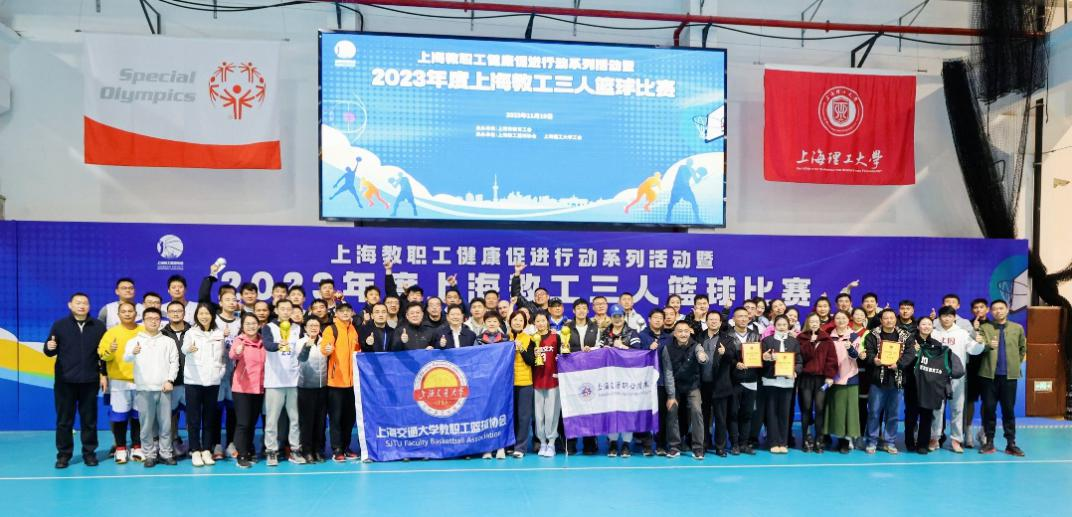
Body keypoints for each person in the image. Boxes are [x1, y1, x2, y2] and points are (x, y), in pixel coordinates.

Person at [46, 293, 107, 469]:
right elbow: (49, 350)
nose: (82, 306)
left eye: (85, 303)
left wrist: (103, 374)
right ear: (70, 305)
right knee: (64, 421)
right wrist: (49, 347)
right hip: (65, 382)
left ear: (89, 306)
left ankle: (89, 453)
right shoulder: (60, 325)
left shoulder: (98, 326)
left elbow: (103, 354)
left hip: (90, 381)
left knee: (89, 421)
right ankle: (63, 455)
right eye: (78, 303)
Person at [123, 308, 180, 467]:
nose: (153, 321)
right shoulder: (134, 341)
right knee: (146, 425)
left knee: (166, 425)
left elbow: (174, 362)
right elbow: (126, 358)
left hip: (164, 388)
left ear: (160, 321)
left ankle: (166, 453)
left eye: (156, 318)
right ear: (143, 321)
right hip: (144, 389)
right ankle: (149, 454)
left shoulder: (168, 341)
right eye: (149, 318)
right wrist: (133, 353)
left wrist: (170, 380)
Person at [930, 306, 984, 453]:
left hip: (957, 378)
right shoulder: (933, 333)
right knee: (936, 409)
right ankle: (934, 438)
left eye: (950, 316)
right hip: (937, 377)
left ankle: (956, 440)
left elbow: (973, 350)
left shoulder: (962, 333)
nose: (946, 319)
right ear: (939, 318)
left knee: (957, 409)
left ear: (954, 317)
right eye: (944, 316)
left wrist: (979, 342)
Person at [976, 299, 1026, 456]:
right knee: (989, 410)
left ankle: (1011, 443)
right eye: (995, 309)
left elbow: (1022, 349)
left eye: (1001, 308)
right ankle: (989, 441)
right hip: (988, 376)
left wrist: (1014, 364)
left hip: (1009, 377)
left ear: (1007, 309)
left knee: (1008, 411)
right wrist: (987, 345)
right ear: (991, 312)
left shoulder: (1017, 328)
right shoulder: (985, 328)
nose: (998, 311)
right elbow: (978, 348)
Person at [863, 309, 916, 454]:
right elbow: (868, 352)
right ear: (881, 320)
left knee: (893, 414)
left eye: (892, 318)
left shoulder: (905, 336)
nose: (889, 320)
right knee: (874, 412)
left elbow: (910, 353)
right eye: (885, 318)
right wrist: (873, 360)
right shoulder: (872, 335)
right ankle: (872, 441)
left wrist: (898, 364)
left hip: (897, 380)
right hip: (877, 380)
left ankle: (890, 442)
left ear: (895, 319)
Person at [97, 301, 144, 464]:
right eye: (124, 311)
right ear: (118, 315)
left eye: (130, 311)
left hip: (141, 381)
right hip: (119, 382)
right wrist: (110, 350)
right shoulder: (111, 333)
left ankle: (137, 446)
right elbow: (103, 356)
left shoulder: (143, 331)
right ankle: (121, 448)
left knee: (138, 417)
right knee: (119, 417)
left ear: (136, 314)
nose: (127, 314)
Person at [911, 316, 965, 455]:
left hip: (930, 386)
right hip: (912, 384)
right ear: (918, 326)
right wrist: (914, 352)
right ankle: (910, 442)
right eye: (923, 324)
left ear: (932, 327)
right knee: (911, 414)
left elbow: (954, 369)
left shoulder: (938, 346)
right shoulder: (910, 341)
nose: (926, 326)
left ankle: (923, 444)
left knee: (927, 415)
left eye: (929, 324)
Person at [261, 300, 306, 466]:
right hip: (275, 381)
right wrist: (278, 345)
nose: (286, 311)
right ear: (276, 310)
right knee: (272, 420)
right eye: (283, 309)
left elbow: (302, 353)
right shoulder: (269, 328)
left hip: (293, 380)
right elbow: (267, 345)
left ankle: (295, 450)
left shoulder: (298, 329)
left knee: (295, 419)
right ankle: (271, 451)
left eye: (289, 309)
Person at [181, 303, 225, 467]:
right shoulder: (191, 332)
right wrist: (189, 348)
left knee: (209, 418)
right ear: (196, 316)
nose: (204, 316)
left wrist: (220, 372)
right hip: (194, 381)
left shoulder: (219, 333)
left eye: (207, 313)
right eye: (201, 313)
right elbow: (184, 348)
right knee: (193, 419)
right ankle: (195, 450)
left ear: (212, 315)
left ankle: (206, 449)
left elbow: (222, 357)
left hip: (213, 381)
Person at [598, 304, 643, 456]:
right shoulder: (605, 333)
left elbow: (639, 353)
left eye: (620, 316)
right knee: (611, 410)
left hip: (627, 378)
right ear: (610, 318)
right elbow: (598, 353)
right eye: (614, 316)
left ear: (624, 317)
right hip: (609, 378)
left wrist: (623, 347)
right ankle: (612, 442)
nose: (617, 319)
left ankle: (626, 443)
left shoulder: (632, 332)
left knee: (627, 411)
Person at [662, 320, 710, 459]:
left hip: (692, 385)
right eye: (680, 331)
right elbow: (668, 373)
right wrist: (671, 396)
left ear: (690, 332)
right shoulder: (667, 349)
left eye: (686, 331)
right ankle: (674, 446)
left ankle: (698, 448)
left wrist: (703, 357)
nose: (683, 334)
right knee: (672, 411)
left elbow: (702, 356)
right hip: (675, 386)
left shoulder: (696, 346)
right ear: (675, 334)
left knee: (696, 411)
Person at [320, 303, 360, 461]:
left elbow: (357, 350)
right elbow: (325, 347)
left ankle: (346, 447)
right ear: (336, 313)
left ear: (352, 313)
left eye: (348, 311)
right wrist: (326, 349)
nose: (345, 313)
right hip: (335, 382)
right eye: (342, 311)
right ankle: (337, 449)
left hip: (352, 383)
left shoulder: (354, 329)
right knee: (336, 418)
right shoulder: (331, 329)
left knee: (349, 418)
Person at [824, 311, 866, 454]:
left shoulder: (854, 336)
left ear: (849, 320)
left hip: (849, 378)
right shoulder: (829, 337)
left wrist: (850, 348)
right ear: (834, 320)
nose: (841, 320)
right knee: (836, 411)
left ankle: (846, 441)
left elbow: (855, 356)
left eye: (844, 318)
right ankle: (835, 437)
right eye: (838, 318)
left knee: (850, 412)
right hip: (832, 378)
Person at [760, 315, 802, 454]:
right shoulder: (767, 340)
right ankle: (773, 442)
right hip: (770, 381)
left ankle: (783, 442)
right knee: (771, 413)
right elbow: (760, 361)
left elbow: (799, 361)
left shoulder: (793, 342)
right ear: (774, 326)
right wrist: (766, 358)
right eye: (779, 324)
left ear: (788, 326)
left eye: (784, 324)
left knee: (784, 413)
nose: (782, 327)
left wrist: (795, 372)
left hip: (787, 382)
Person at [797, 313, 837, 453]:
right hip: (805, 378)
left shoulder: (827, 339)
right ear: (807, 323)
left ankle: (819, 440)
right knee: (806, 408)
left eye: (816, 321)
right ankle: (805, 439)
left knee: (820, 408)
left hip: (821, 379)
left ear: (820, 323)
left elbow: (831, 359)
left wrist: (830, 376)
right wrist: (810, 343)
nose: (814, 323)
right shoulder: (801, 338)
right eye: (811, 321)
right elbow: (801, 357)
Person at [230, 313, 267, 468]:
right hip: (242, 388)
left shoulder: (264, 341)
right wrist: (238, 351)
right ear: (243, 327)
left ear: (259, 325)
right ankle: (241, 454)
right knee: (243, 423)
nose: (251, 326)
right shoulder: (239, 340)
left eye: (253, 323)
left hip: (259, 388)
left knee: (252, 423)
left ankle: (249, 450)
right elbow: (232, 354)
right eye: (247, 324)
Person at [727, 307, 762, 455]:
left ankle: (744, 443)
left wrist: (764, 358)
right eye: (739, 316)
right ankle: (734, 444)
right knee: (733, 413)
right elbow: (724, 358)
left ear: (749, 318)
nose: (742, 319)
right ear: (734, 319)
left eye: (745, 316)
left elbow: (759, 357)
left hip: (751, 379)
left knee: (747, 414)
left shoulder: (756, 336)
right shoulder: (727, 336)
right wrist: (735, 364)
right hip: (733, 380)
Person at [638, 307, 672, 454]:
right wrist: (648, 348)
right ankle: (646, 445)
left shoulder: (669, 338)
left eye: (660, 318)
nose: (658, 320)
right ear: (649, 320)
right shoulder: (641, 335)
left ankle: (661, 445)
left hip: (662, 381)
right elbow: (635, 355)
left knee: (662, 414)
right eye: (655, 317)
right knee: (645, 413)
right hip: (645, 381)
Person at [701, 311, 734, 456]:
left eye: (716, 320)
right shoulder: (699, 337)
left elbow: (732, 357)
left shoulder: (727, 339)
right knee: (703, 417)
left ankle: (720, 446)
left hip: (720, 384)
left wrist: (724, 353)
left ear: (720, 323)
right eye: (711, 319)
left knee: (720, 418)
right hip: (703, 385)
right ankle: (703, 444)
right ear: (706, 321)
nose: (713, 322)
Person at [161, 301, 191, 458]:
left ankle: (193, 444)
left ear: (184, 313)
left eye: (179, 311)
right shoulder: (161, 334)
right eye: (172, 311)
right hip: (171, 383)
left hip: (191, 382)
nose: (176, 313)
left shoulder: (194, 331)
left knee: (192, 414)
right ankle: (173, 441)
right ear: (167, 314)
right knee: (170, 415)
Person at [297, 318, 329, 463]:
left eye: (316, 325)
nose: (314, 328)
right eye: (310, 325)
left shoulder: (324, 342)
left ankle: (318, 450)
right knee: (307, 422)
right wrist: (307, 347)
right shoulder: (300, 342)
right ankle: (307, 451)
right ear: (305, 328)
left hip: (323, 387)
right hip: (305, 388)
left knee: (320, 421)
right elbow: (301, 358)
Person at [531, 312, 563, 457]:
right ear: (534, 323)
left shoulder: (556, 337)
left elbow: (563, 356)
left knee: (552, 414)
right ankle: (542, 442)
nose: (541, 323)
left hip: (553, 380)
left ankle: (551, 443)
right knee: (538, 416)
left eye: (543, 320)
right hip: (536, 381)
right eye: (538, 321)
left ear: (547, 321)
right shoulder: (532, 339)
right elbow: (529, 360)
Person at [508, 311, 536, 458]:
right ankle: (510, 445)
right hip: (507, 383)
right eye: (515, 319)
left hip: (525, 383)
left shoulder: (529, 339)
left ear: (525, 323)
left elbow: (532, 361)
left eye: (521, 320)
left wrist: (522, 349)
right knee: (510, 415)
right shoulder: (504, 338)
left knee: (524, 417)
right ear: (510, 322)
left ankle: (520, 447)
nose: (518, 322)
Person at [963, 298, 990, 448]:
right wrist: (974, 330)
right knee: (970, 402)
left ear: (987, 309)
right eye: (975, 307)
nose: (978, 310)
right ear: (972, 310)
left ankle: (983, 432)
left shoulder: (993, 326)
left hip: (988, 369)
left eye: (981, 307)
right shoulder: (967, 325)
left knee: (987, 401)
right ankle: (968, 432)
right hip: (971, 369)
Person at [665, 159, 704, 223]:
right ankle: (668, 217)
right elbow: (685, 178)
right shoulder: (682, 167)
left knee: (693, 202)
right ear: (687, 163)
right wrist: (695, 172)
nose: (690, 163)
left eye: (690, 162)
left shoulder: (691, 170)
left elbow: (696, 181)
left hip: (682, 188)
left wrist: (700, 176)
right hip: (678, 188)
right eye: (689, 162)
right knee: (672, 203)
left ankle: (697, 218)